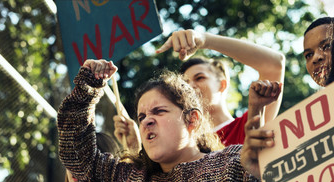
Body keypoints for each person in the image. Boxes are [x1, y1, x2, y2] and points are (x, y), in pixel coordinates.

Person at [57, 59, 281, 182]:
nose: (146, 121)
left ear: (192, 119)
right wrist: (87, 88)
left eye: (159, 111)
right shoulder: (125, 181)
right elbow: (75, 153)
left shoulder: (236, 163)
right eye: (142, 116)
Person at [114, 30, 285, 150]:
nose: (191, 87)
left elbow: (274, 65)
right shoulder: (183, 146)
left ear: (222, 85)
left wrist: (205, 40)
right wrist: (135, 148)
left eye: (200, 78)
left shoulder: (250, 123)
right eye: (185, 84)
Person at [241, 16, 334, 179]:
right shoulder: (310, 125)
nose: (316, 58)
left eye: (326, 46)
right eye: (308, 55)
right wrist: (260, 170)